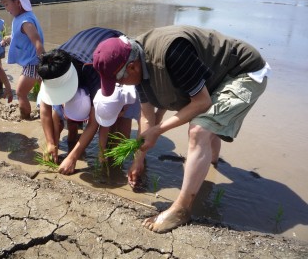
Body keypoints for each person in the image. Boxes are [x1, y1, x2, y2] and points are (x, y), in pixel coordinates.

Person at [93, 25, 271, 233]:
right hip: (215, 77)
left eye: (118, 79)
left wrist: (158, 130)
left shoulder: (172, 52)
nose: (119, 83)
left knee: (199, 129)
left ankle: (181, 208)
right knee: (205, 125)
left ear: (131, 67)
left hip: (243, 72)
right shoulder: (135, 61)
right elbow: (147, 114)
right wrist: (138, 159)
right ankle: (211, 164)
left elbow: (202, 102)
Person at [37, 27, 125, 174]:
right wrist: (50, 143)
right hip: (84, 45)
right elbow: (45, 109)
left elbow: (94, 121)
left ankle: (110, 160)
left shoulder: (95, 70)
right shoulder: (51, 64)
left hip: (113, 44)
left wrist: (73, 157)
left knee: (113, 114)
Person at [0, 0, 44, 119]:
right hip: (34, 62)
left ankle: (26, 118)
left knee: (21, 93)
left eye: (6, 4)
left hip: (33, 63)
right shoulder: (21, 17)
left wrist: (45, 64)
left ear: (17, 2)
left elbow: (38, 42)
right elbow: (20, 36)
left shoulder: (25, 21)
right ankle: (49, 111)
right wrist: (9, 38)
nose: (6, 8)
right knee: (46, 90)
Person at [93, 84, 141, 162]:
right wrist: (102, 151)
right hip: (112, 87)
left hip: (131, 94)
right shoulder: (104, 102)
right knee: (109, 135)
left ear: (124, 109)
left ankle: (117, 158)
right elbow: (104, 126)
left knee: (124, 136)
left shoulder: (137, 104)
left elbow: (144, 128)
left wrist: (138, 159)